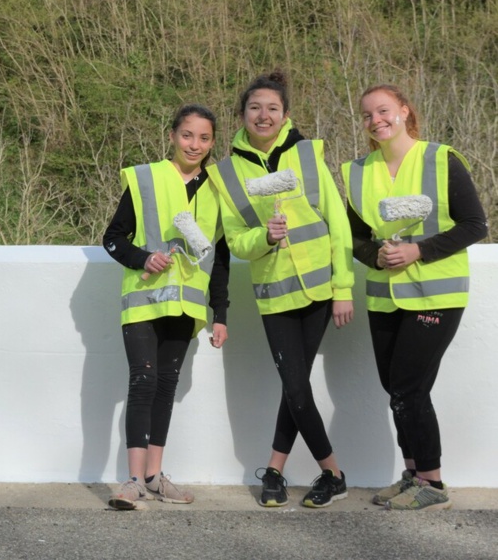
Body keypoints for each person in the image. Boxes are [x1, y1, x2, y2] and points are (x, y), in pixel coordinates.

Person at [208, 71, 354, 508]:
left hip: (319, 292)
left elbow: (337, 223)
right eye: (255, 108)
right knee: (295, 386)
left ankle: (275, 471)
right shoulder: (227, 174)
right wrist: (265, 237)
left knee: (297, 388)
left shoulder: (308, 156)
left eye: (273, 107)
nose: (263, 115)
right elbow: (236, 241)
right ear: (242, 115)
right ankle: (333, 473)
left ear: (286, 114)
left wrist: (343, 286)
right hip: (274, 293)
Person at [341, 84, 487, 510]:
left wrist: (418, 250)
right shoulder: (357, 171)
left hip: (436, 294)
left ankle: (432, 483)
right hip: (385, 297)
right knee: (397, 388)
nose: (376, 120)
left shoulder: (442, 159)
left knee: (407, 386)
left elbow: (475, 224)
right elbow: (354, 236)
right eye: (367, 115)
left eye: (383, 110)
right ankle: (412, 475)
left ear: (404, 111)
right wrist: (378, 257)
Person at [102, 104, 229, 510]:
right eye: (187, 135)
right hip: (142, 302)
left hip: (188, 309)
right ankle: (133, 481)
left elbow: (220, 258)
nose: (195, 144)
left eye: (204, 137)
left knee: (165, 386)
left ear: (212, 142)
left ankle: (155, 477)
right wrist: (144, 258)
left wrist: (220, 313)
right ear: (173, 135)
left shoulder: (217, 189)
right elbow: (113, 238)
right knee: (143, 381)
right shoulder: (145, 179)